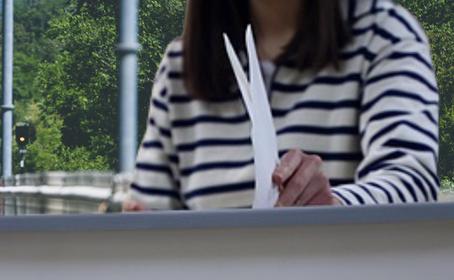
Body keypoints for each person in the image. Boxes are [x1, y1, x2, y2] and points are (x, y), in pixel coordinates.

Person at [125, 0, 439, 211]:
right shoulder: (181, 67)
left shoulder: (384, 34)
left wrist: (333, 205)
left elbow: (412, 182)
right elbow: (151, 213)